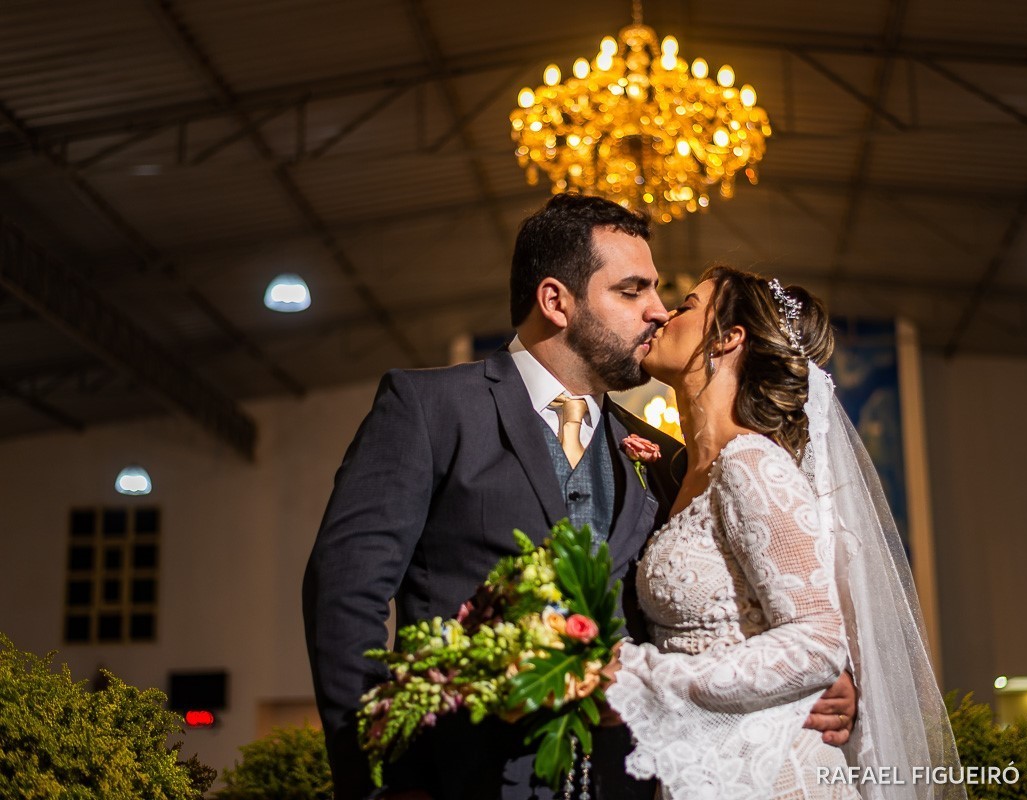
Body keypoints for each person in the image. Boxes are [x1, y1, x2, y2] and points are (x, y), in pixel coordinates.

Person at [302, 195, 856, 800]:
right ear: (556, 301)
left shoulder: (669, 456)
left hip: (631, 780)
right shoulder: (430, 410)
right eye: (632, 291)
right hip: (463, 776)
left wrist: (823, 683)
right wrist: (382, 777)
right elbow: (344, 591)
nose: (658, 310)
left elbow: (729, 599)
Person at [605, 266, 964, 799]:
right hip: (698, 773)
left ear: (728, 339)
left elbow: (819, 641)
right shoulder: (684, 474)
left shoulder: (750, 461)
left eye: (687, 305)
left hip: (770, 776)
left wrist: (644, 678)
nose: (663, 313)